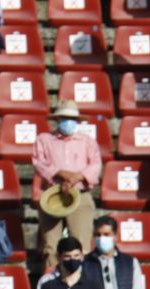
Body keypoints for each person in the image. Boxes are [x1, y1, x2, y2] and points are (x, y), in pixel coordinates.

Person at [33, 102, 103, 271]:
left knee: (82, 244)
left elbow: (96, 165)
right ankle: (52, 284)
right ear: (57, 119)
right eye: (64, 118)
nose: (68, 122)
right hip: (52, 194)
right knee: (51, 246)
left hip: (80, 193)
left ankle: (82, 284)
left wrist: (76, 177)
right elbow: (39, 162)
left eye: (72, 119)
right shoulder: (44, 139)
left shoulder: (88, 142)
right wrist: (61, 173)